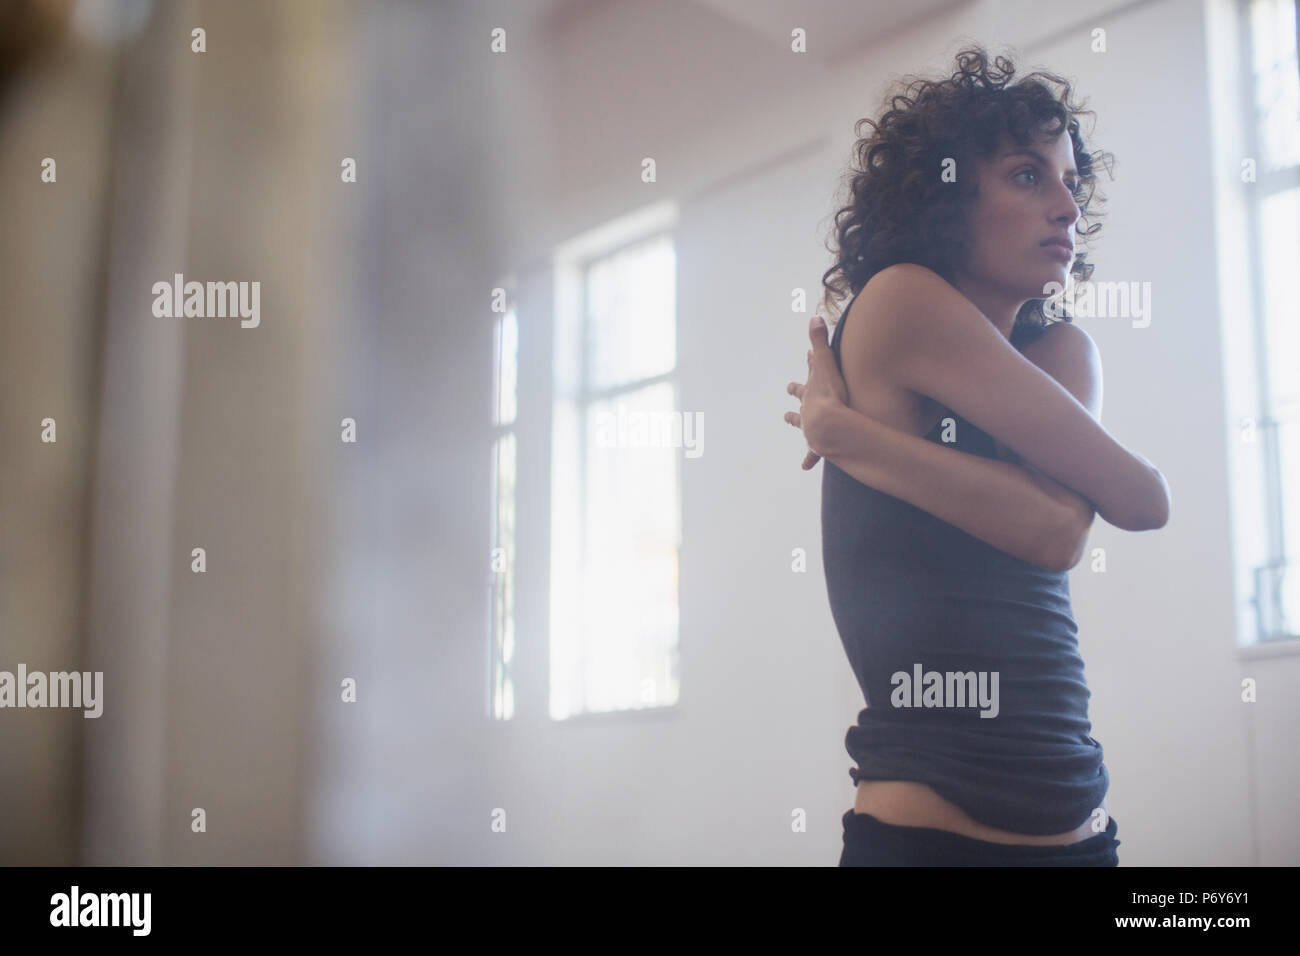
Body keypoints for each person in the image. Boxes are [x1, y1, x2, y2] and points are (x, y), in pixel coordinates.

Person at [783, 47, 1171, 865]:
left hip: (1082, 837)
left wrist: (848, 437)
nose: (1066, 205)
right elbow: (1069, 519)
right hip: (929, 842)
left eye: (1070, 180)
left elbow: (1113, 513)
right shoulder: (900, 298)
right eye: (1028, 176)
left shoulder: (1063, 347)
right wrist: (847, 436)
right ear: (947, 197)